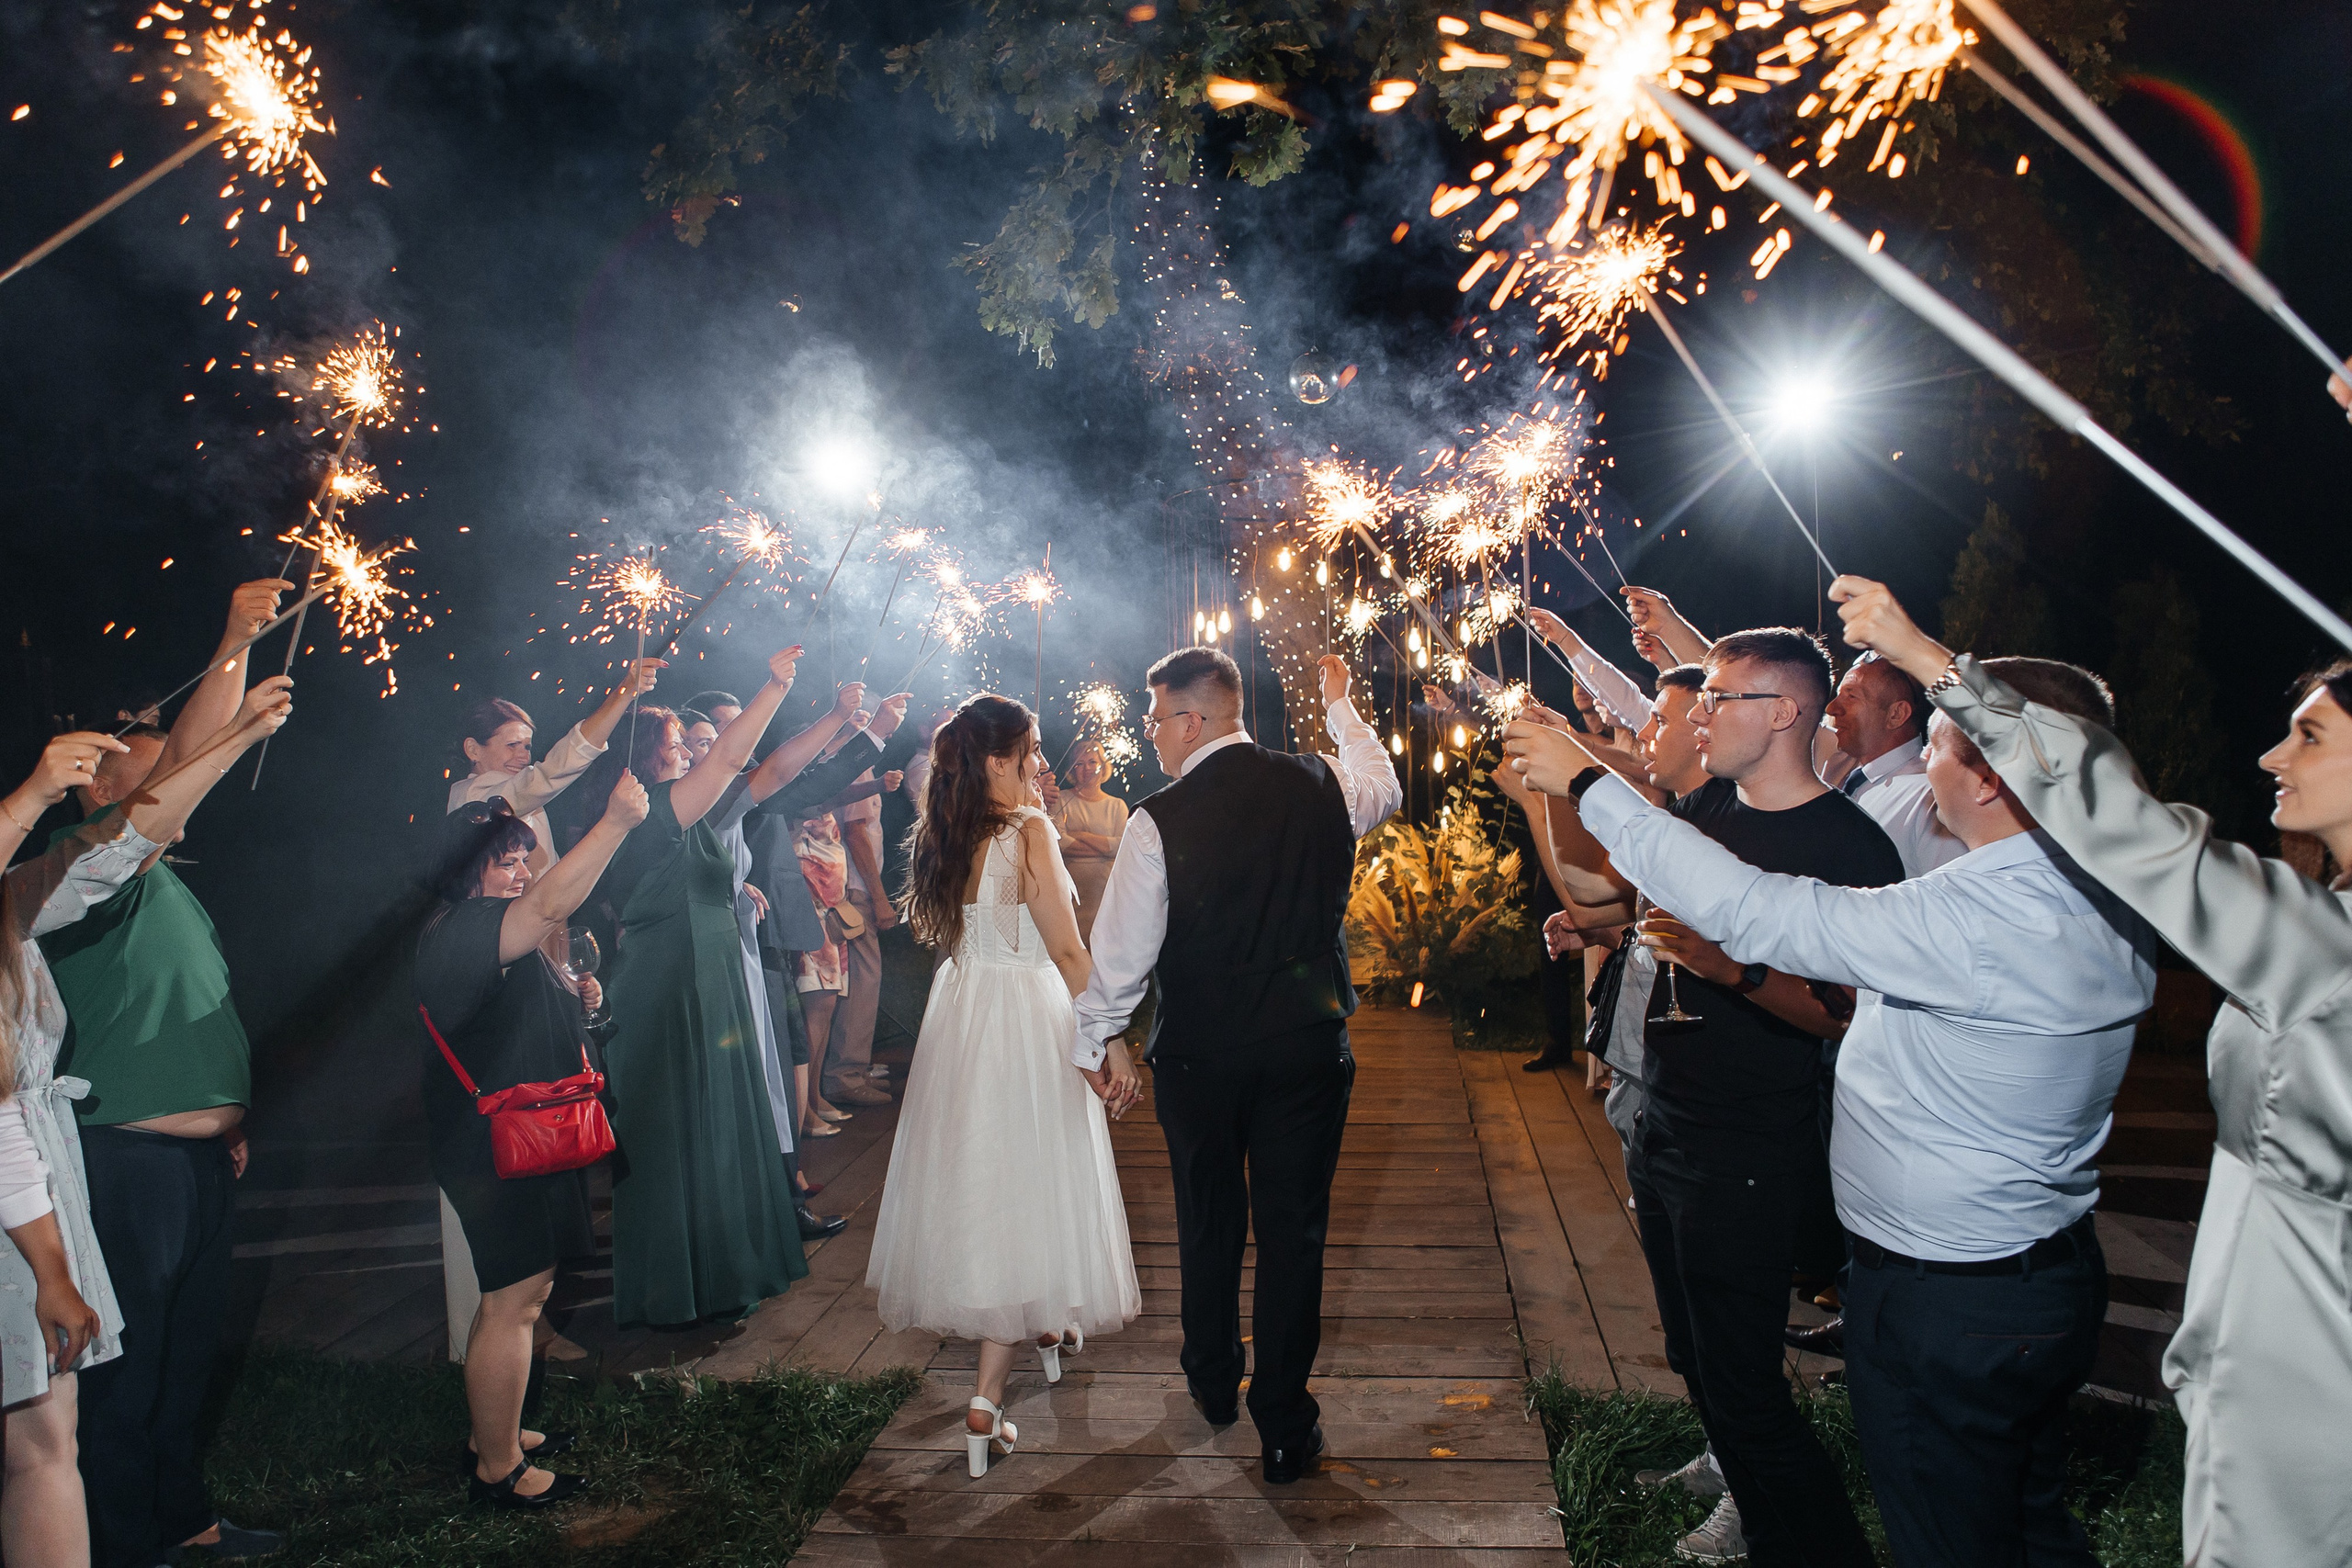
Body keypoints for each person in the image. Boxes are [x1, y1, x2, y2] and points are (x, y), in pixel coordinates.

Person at [1510, 644, 2160, 1568]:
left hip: (1951, 1291)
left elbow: (1763, 917)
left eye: (1936, 739)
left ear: (1989, 773)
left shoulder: (1965, 915)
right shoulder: (2082, 895)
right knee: (2017, 1524)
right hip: (2003, 1274)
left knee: (1946, 1533)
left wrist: (1582, 776)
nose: (1918, 758)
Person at [1830, 575, 2352, 1568]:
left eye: (2313, 736)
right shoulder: (2313, 926)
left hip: (2313, 1330)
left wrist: (1930, 658)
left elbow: (2130, 828)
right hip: (2259, 1302)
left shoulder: (2321, 950)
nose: (2270, 754)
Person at [1543, 629, 1905, 1567]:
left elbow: (1842, 1013)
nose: (1698, 716)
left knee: (1744, 1384)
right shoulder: (1708, 804)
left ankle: (1815, 1547)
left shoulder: (1845, 844)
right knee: (1694, 1359)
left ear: (1784, 712)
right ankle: (1749, 1499)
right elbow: (1656, 898)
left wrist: (1729, 970)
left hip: (1746, 1142)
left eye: (1719, 698)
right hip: (1666, 1119)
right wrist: (1591, 920)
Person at [1073, 649, 1400, 1483]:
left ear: (1191, 720)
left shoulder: (1158, 819)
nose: (1150, 734)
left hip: (1202, 1056)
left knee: (1209, 1216)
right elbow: (1383, 783)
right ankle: (1286, 1427)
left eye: (1155, 718)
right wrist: (1340, 708)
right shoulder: (1325, 782)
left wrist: (1095, 1040)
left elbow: (1120, 960)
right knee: (1295, 1233)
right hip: (1308, 1046)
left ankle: (1215, 1383)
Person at [0, 679, 291, 1568]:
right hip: (116, 1162)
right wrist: (233, 673)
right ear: (94, 787)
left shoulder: (163, 885)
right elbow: (133, 823)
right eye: (158, 770)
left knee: (178, 1365)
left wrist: (221, 1118)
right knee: (110, 1388)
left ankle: (179, 1520)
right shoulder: (69, 869)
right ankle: (127, 1544)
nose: (179, 781)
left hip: (192, 1168)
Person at [867, 695, 1141, 1476]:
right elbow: (1067, 950)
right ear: (996, 761)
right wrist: (1112, 1041)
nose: (1042, 766)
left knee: (985, 1172)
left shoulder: (947, 830)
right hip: (1024, 1011)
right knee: (1028, 1178)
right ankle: (986, 1397)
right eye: (1031, 753)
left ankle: (1046, 1322)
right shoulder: (1029, 831)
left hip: (964, 1010)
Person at [419, 773, 648, 1509]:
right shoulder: (461, 930)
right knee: (513, 1303)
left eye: (524, 858)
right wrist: (614, 821)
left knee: (518, 1295)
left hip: (522, 1138)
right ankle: (498, 1467)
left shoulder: (498, 933)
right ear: (467, 871)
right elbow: (552, 900)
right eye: (505, 860)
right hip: (495, 1146)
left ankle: (500, 1433)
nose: (522, 872)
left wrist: (584, 1000)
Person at [438, 657, 662, 1363]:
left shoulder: (516, 795)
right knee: (521, 1163)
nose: (522, 753)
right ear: (473, 751)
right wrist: (622, 695)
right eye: (508, 741)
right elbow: (560, 768)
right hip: (502, 988)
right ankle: (508, 1325)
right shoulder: (477, 802)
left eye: (524, 740)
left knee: (556, 1148)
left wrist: (572, 977)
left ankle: (533, 1315)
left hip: (542, 964)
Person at [597, 648, 809, 1328]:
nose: (689, 752)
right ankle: (676, 1289)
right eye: (673, 745)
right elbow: (729, 761)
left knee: (716, 1129)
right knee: (680, 1135)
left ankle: (720, 1276)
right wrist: (773, 686)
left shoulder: (678, 814)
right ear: (645, 759)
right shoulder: (652, 811)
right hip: (672, 988)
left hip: (707, 979)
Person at [1049, 739, 1128, 942]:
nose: (1087, 768)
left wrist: (1081, 835)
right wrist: (1104, 846)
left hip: (1105, 894)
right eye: (1079, 764)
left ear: (1102, 765)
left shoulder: (1117, 806)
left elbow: (1122, 846)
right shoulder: (1060, 800)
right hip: (1071, 892)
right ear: (1072, 770)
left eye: (1092, 762)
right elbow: (1059, 843)